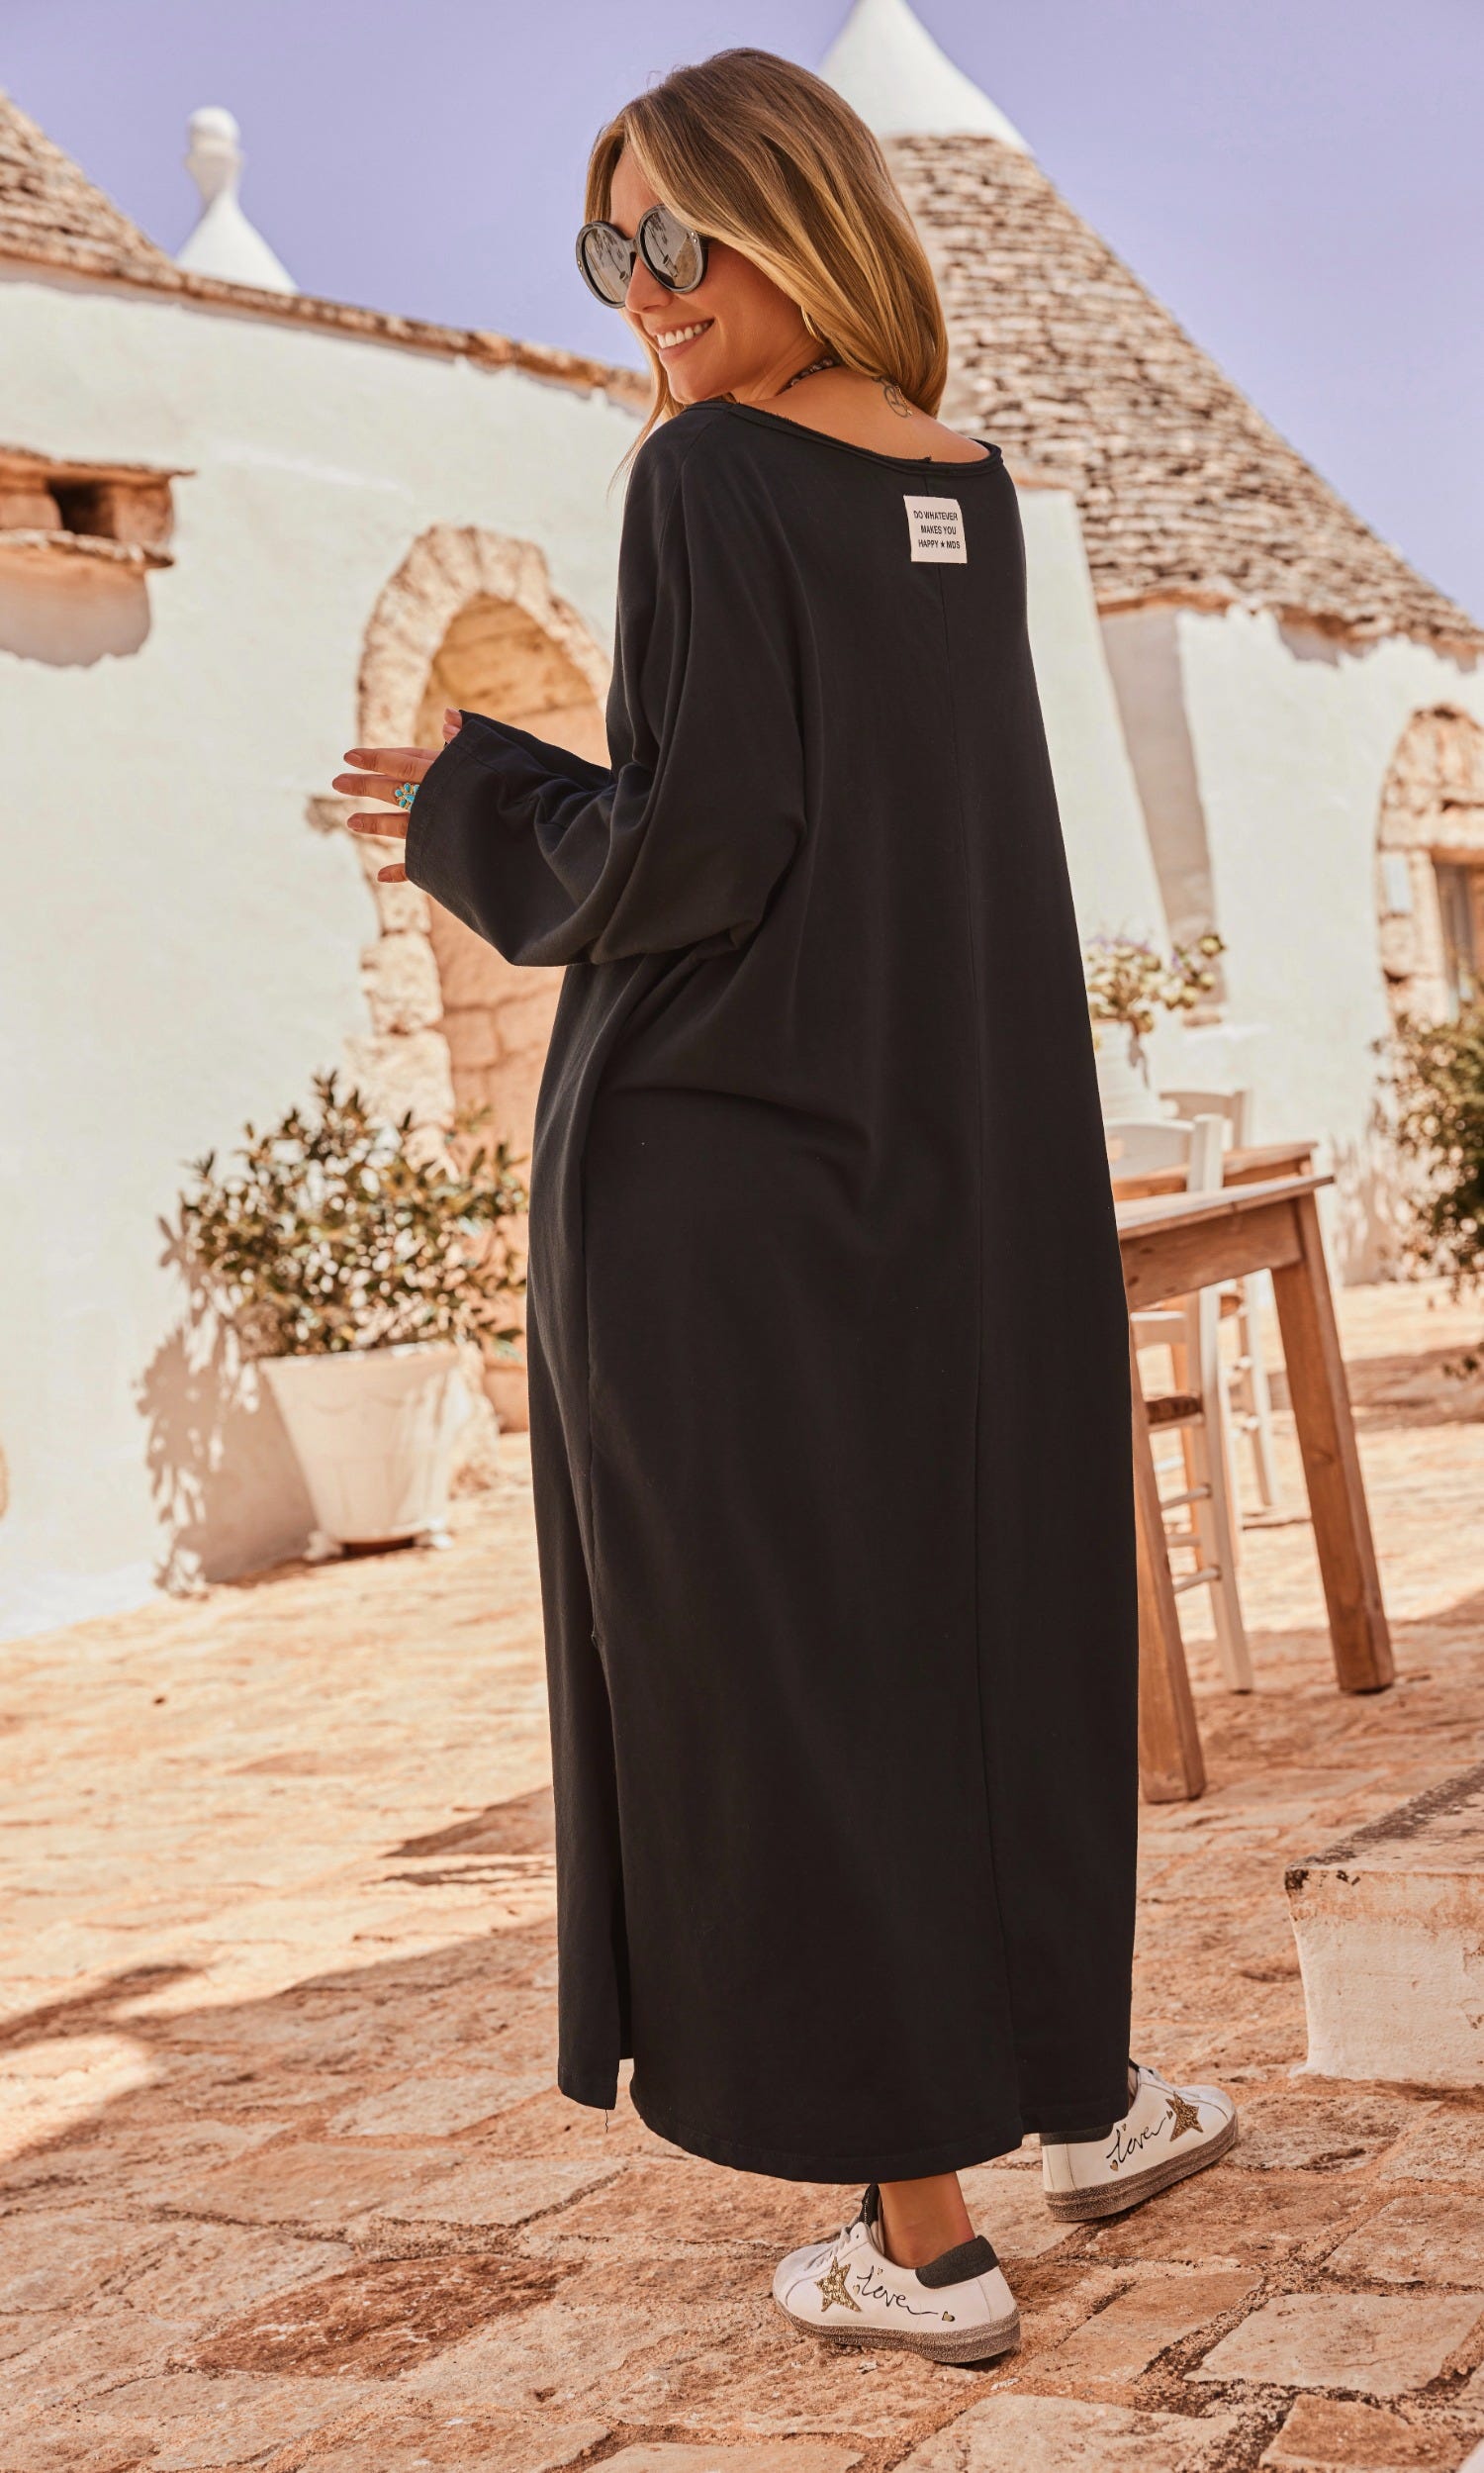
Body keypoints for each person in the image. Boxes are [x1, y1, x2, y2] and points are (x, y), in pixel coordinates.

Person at [333, 47, 1237, 2366]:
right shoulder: (966, 484)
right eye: (608, 249)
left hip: (720, 1188)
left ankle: (924, 2238)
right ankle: (1075, 2090)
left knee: (798, 1673)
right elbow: (888, 843)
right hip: (942, 1175)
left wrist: (466, 797)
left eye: (679, 239)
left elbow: (699, 844)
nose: (646, 292)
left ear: (799, 215)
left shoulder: (711, 475)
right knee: (979, 1622)